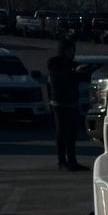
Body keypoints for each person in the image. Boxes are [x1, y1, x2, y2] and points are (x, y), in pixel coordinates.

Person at [46, 35, 85, 171]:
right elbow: (61, 76)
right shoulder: (55, 63)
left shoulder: (72, 64)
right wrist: (74, 72)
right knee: (62, 133)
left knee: (72, 134)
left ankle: (71, 160)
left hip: (71, 102)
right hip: (59, 103)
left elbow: (81, 76)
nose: (72, 53)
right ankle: (63, 161)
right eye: (70, 50)